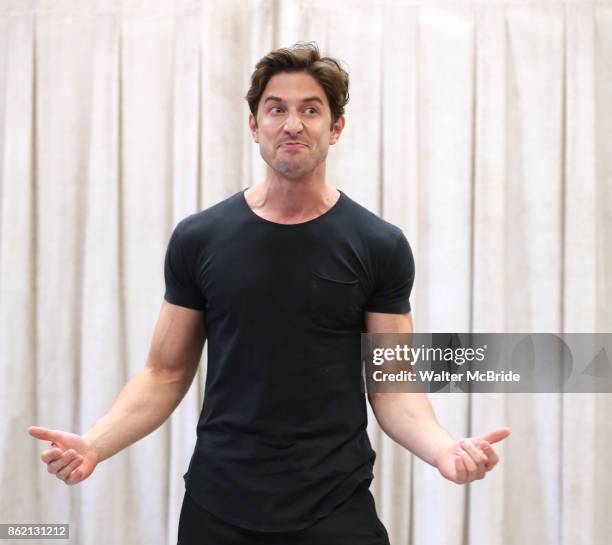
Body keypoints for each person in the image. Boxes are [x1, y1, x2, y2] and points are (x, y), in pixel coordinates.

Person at [28, 42, 510, 544]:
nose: (293, 123)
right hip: (220, 505)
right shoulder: (200, 238)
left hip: (334, 505)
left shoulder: (379, 245)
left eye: (311, 109)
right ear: (254, 126)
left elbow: (392, 386)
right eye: (276, 108)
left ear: (336, 127)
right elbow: (165, 372)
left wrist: (443, 450)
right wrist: (93, 444)